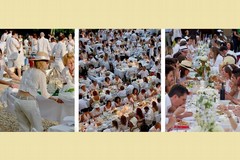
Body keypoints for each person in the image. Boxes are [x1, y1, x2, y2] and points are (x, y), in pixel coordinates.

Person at [14, 52, 64, 132]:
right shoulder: (41, 74)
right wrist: (55, 99)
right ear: (42, 62)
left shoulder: (27, 70)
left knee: (23, 129)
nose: (48, 64)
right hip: (28, 103)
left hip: (17, 100)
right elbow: (44, 93)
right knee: (38, 128)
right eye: (47, 62)